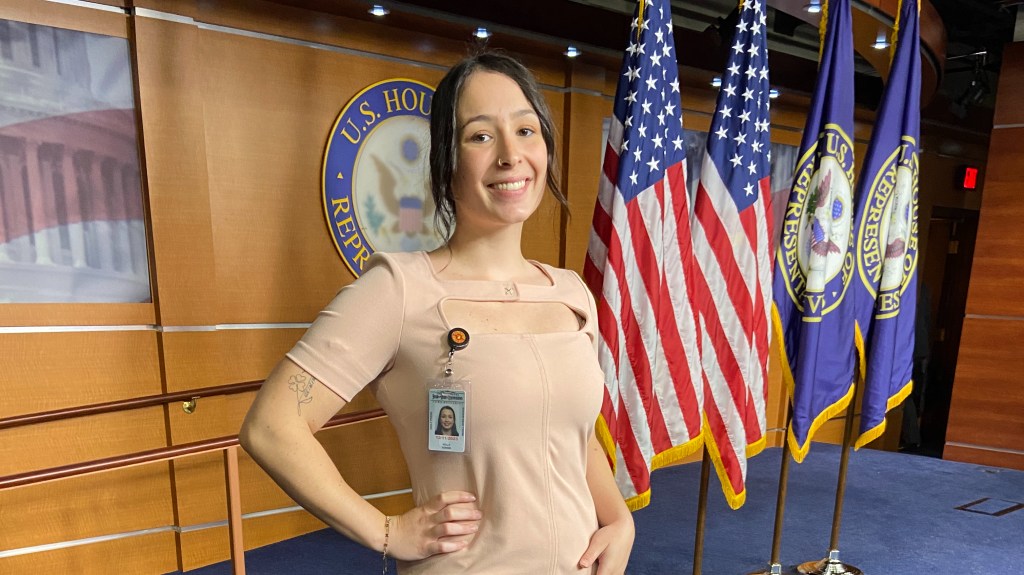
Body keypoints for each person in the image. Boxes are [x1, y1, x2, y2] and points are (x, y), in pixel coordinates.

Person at [240, 51, 634, 574]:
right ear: (446, 160)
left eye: (525, 130)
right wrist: (385, 531)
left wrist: (618, 519)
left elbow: (572, 434)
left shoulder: (569, 293)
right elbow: (272, 425)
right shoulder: (399, 290)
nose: (510, 155)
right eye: (480, 135)